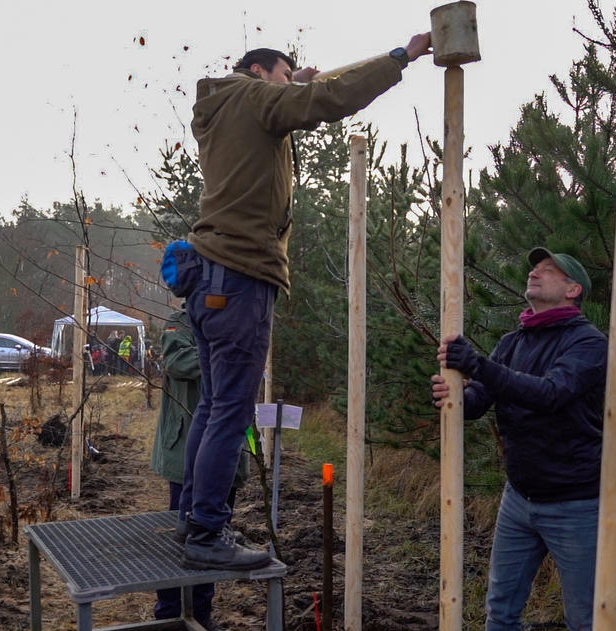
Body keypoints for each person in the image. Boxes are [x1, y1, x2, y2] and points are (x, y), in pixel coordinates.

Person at [178, 34, 433, 571]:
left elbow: (289, 100)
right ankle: (205, 531)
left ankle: (193, 519)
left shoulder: (224, 105)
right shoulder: (252, 97)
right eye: (281, 73)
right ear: (258, 70)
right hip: (241, 276)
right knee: (231, 409)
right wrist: (399, 58)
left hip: (209, 275)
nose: (287, 81)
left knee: (212, 404)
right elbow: (325, 101)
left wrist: (290, 83)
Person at [431, 248, 607, 631]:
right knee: (501, 607)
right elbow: (480, 401)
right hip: (519, 500)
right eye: (534, 267)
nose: (534, 272)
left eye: (548, 270)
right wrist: (454, 394)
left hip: (576, 503)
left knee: (586, 621)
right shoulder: (513, 342)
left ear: (572, 289)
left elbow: (550, 394)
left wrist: (481, 366)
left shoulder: (588, 343)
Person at [150, 306, 248, 631]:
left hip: (226, 452)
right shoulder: (181, 321)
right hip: (189, 453)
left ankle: (202, 613)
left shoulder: (237, 320)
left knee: (213, 538)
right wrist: (229, 361)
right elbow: (179, 362)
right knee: (182, 540)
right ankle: (167, 620)